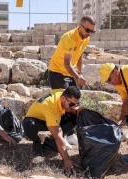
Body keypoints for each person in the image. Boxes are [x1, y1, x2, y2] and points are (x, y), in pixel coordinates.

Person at [47, 15, 96, 146]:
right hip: (57, 72)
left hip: (70, 72)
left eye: (92, 31)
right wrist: (77, 77)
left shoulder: (85, 37)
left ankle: (70, 133)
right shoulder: (69, 38)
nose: (89, 33)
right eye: (87, 30)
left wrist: (80, 72)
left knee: (75, 101)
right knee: (65, 103)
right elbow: (67, 63)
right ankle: (61, 136)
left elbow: (79, 56)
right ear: (80, 26)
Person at [22, 86, 83, 175]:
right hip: (37, 119)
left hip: (53, 115)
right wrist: (66, 159)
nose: (73, 106)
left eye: (75, 104)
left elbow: (74, 107)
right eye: (71, 104)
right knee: (29, 125)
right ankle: (37, 143)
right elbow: (58, 136)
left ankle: (49, 143)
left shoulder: (64, 93)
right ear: (63, 98)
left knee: (75, 117)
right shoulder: (51, 106)